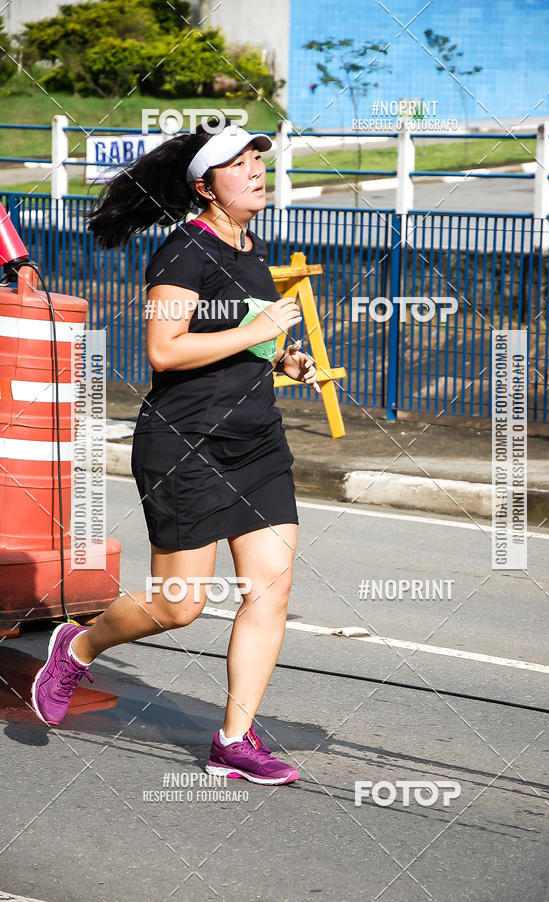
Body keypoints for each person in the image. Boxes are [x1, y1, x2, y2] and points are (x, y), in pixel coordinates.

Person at [31, 121, 319, 785]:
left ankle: (233, 741)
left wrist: (282, 356)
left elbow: (239, 339)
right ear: (207, 187)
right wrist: (258, 327)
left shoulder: (250, 249)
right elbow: (166, 351)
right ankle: (78, 645)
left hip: (257, 444)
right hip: (185, 444)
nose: (256, 171)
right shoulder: (182, 252)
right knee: (178, 605)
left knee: (270, 591)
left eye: (259, 162)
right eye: (240, 164)